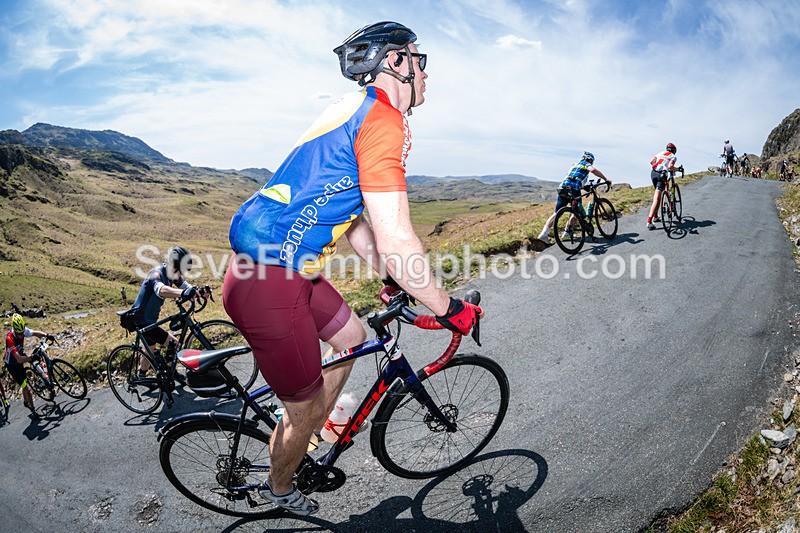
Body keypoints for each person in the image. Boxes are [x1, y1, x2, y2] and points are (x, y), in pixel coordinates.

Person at [223, 21, 482, 516]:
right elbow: (398, 234)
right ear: (396, 63)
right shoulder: (385, 121)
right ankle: (281, 489)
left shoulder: (353, 109)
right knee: (304, 407)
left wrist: (388, 277)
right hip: (270, 282)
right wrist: (449, 308)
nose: (426, 73)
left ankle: (317, 424)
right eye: (419, 59)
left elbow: (357, 219)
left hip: (282, 270)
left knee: (352, 337)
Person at [128, 246, 198, 378]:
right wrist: (183, 293)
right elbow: (161, 290)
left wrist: (199, 292)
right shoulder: (156, 273)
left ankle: (141, 376)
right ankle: (170, 373)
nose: (181, 275)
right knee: (174, 343)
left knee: (150, 349)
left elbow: (187, 287)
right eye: (181, 271)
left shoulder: (172, 275)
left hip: (148, 320)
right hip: (141, 320)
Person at [536, 152, 611, 243]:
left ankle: (543, 234)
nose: (592, 163)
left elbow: (575, 179)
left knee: (557, 212)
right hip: (573, 189)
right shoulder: (585, 164)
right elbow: (593, 170)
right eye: (592, 161)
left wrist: (584, 187)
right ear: (590, 160)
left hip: (563, 188)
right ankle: (567, 232)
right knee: (576, 212)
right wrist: (605, 179)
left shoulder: (574, 165)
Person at [4, 314, 49, 418]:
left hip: (19, 357)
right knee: (26, 387)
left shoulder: (22, 329)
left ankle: (44, 378)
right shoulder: (9, 339)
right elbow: (19, 359)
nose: (21, 335)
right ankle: (33, 410)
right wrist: (31, 357)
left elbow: (35, 333)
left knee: (36, 360)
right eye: (19, 333)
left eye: (22, 333)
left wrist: (47, 335)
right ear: (14, 330)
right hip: (12, 364)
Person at [646, 143, 679, 230]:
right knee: (657, 199)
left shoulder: (660, 153)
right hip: (662, 174)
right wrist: (678, 169)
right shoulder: (673, 156)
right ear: (674, 151)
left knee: (658, 194)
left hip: (653, 173)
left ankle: (656, 216)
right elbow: (670, 166)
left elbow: (651, 162)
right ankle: (649, 221)